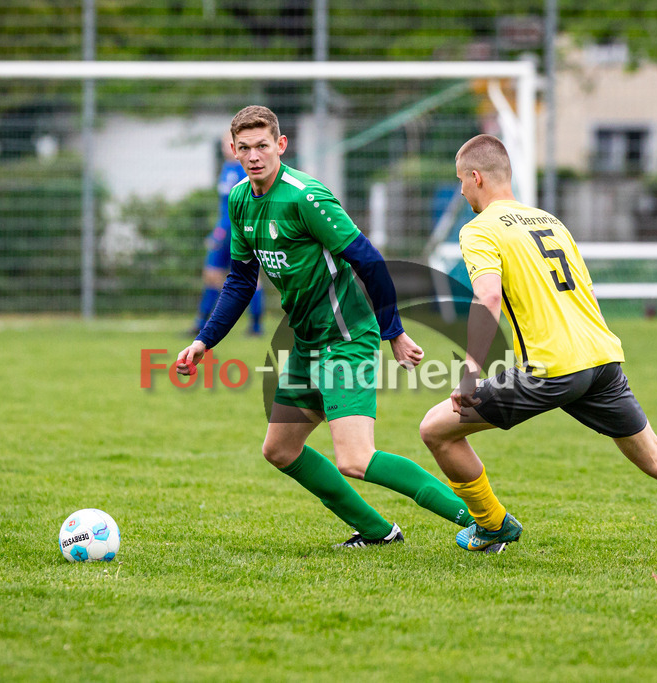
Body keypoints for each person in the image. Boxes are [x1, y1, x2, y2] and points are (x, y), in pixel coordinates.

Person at [418, 133, 657, 566]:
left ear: (476, 178)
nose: (461, 190)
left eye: (461, 181)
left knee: (435, 429)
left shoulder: (479, 230)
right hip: (601, 359)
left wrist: (470, 372)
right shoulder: (550, 222)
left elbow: (487, 297)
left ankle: (491, 523)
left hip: (552, 368)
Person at [176, 105, 477, 547]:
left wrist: (392, 331)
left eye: (262, 146)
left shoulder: (305, 196)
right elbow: (241, 279)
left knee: (355, 458)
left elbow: (369, 260)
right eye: (245, 148)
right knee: (279, 450)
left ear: (281, 145)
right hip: (306, 342)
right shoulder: (241, 200)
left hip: (346, 337)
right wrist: (206, 339)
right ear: (234, 152)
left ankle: (483, 519)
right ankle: (377, 531)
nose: (254, 156)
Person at [193, 131, 263, 336]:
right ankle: (201, 323)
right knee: (213, 275)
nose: (227, 148)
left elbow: (239, 207)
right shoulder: (227, 168)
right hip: (224, 229)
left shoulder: (245, 170)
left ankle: (256, 326)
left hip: (234, 232)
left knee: (247, 277)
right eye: (225, 144)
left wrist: (220, 232)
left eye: (231, 144)